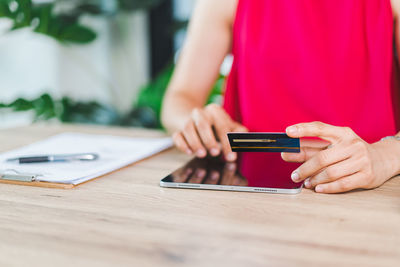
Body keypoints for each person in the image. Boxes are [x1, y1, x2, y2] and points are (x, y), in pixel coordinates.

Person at [161, 0, 400, 194]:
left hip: (367, 193)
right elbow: (180, 98)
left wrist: (384, 157)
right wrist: (193, 124)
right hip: (252, 196)